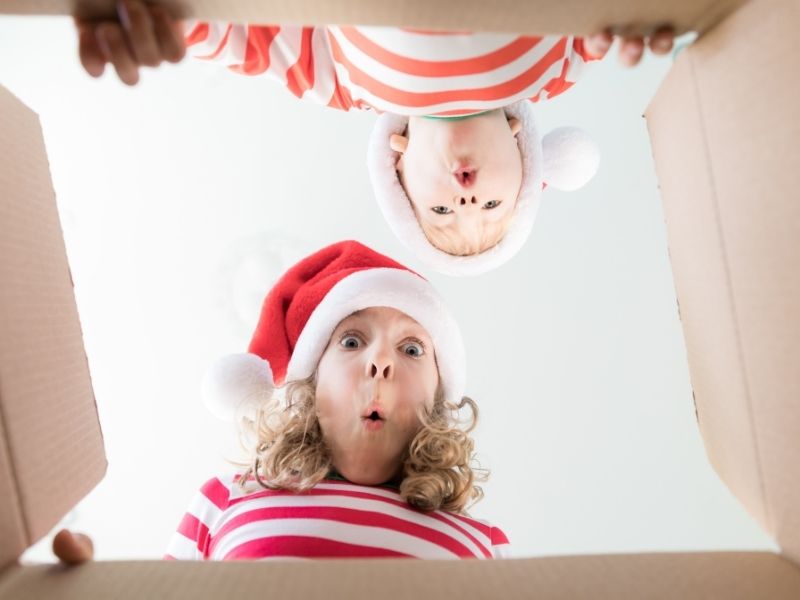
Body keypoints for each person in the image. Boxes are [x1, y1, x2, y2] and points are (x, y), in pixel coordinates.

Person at [73, 3, 675, 275]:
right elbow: (605, 24)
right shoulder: (554, 73)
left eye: (439, 209)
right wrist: (625, 21)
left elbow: (248, 40)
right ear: (523, 150)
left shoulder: (347, 84)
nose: (467, 201)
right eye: (493, 205)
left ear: (399, 160)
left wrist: (177, 20)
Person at [55, 240, 508, 561]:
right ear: (310, 390)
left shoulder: (486, 545)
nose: (380, 363)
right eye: (351, 341)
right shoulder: (225, 500)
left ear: (438, 399)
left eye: (412, 349)